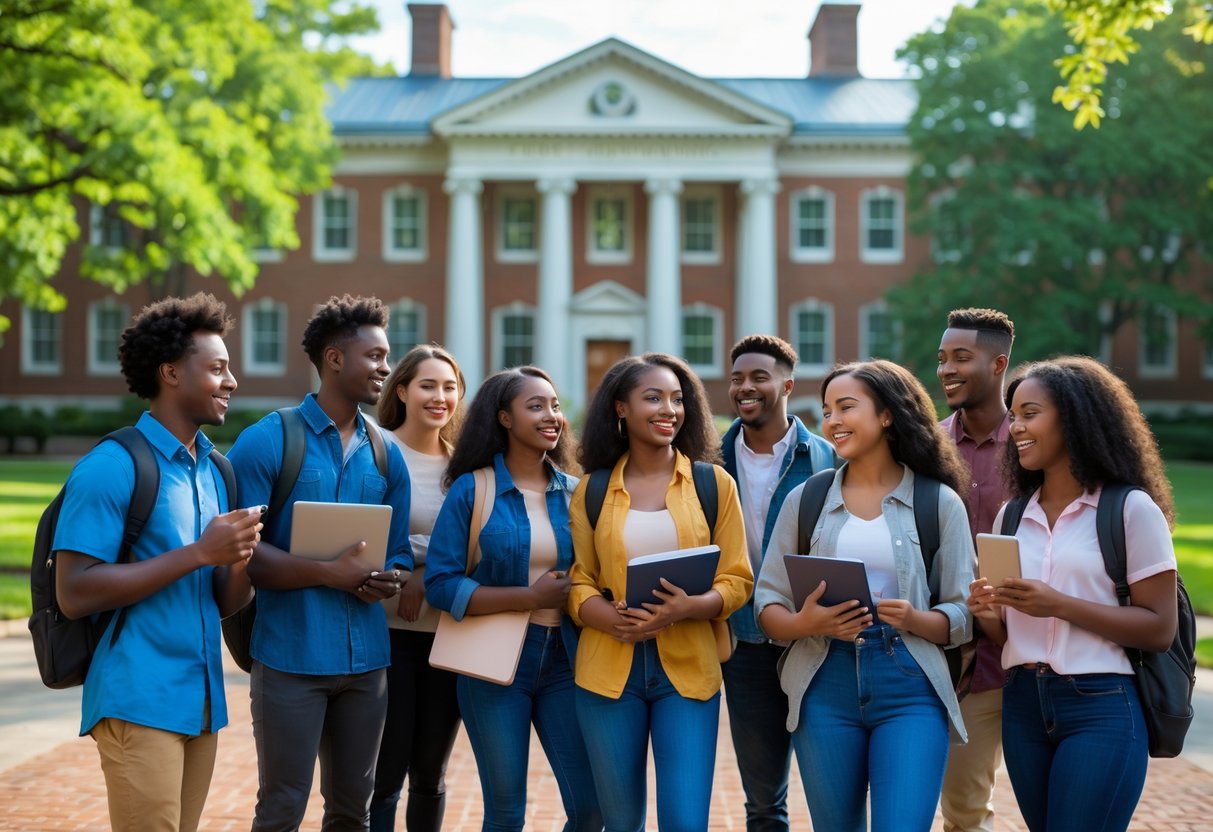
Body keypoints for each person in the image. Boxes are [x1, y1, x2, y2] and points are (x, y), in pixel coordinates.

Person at [53, 293, 262, 832]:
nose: (231, 380)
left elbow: (225, 601)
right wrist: (199, 552)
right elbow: (74, 592)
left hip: (203, 701)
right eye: (216, 369)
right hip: (136, 698)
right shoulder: (111, 467)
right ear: (170, 372)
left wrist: (238, 558)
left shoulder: (217, 471)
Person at [755, 359, 975, 832]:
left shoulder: (938, 502)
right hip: (823, 680)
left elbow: (962, 614)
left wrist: (916, 618)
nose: (832, 420)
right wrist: (806, 623)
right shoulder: (807, 500)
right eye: (828, 410)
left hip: (911, 683)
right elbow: (767, 603)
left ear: (888, 415)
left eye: (846, 407)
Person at [967, 357, 1178, 832]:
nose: (1015, 427)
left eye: (1029, 413)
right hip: (1022, 702)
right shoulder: (1012, 515)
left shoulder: (1129, 509)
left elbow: (1159, 628)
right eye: (1013, 415)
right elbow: (1008, 637)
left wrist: (1058, 604)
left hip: (1101, 704)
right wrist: (988, 613)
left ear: (1075, 417)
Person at [227, 295, 412, 831]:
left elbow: (397, 549)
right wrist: (328, 573)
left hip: (368, 665)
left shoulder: (386, 453)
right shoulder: (268, 440)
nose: (385, 368)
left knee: (354, 811)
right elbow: (241, 552)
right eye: (374, 357)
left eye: (387, 356)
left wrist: (390, 577)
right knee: (283, 806)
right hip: (289, 660)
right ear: (334, 359)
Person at [568, 352, 753, 832]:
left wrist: (690, 607)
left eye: (676, 398)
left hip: (689, 671)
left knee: (685, 822)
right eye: (652, 398)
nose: (668, 409)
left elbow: (737, 579)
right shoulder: (592, 489)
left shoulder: (714, 485)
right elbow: (580, 578)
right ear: (621, 408)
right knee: (621, 821)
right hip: (608, 671)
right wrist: (602, 615)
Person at [423, 366, 601, 832]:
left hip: (566, 660)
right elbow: (440, 585)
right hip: (494, 666)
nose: (552, 416)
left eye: (556, 406)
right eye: (536, 406)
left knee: (591, 808)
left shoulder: (577, 493)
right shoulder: (472, 489)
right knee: (506, 813)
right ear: (504, 418)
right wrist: (528, 596)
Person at [719, 334, 835, 832]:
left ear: (788, 384)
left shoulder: (829, 460)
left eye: (759, 377)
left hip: (818, 642)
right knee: (764, 801)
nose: (745, 387)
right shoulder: (710, 462)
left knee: (836, 788)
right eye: (738, 378)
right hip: (744, 642)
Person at [370, 345, 466, 832]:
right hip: (384, 634)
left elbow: (477, 544)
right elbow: (368, 533)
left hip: (448, 635)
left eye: (450, 387)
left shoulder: (465, 467)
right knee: (384, 775)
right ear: (402, 390)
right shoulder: (376, 452)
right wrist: (423, 555)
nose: (440, 397)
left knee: (430, 774)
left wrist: (426, 574)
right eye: (428, 385)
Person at [936, 308, 1015, 832]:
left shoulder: (1040, 443)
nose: (946, 369)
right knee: (965, 810)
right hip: (965, 664)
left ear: (999, 363)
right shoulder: (928, 445)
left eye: (961, 357)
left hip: (1044, 657)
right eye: (942, 359)